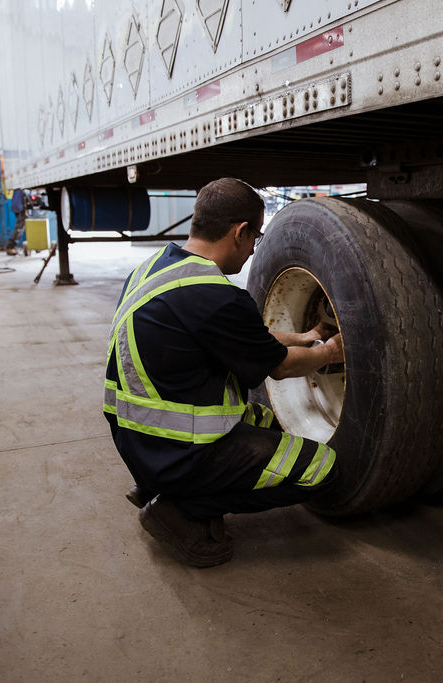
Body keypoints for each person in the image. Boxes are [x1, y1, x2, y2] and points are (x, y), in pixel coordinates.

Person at [103, 177, 343, 567]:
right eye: (255, 240)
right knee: (324, 469)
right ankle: (181, 506)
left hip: (138, 438)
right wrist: (330, 350)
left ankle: (154, 483)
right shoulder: (216, 295)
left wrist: (306, 336)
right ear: (240, 232)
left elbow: (247, 336)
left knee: (276, 425)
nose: (252, 252)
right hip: (179, 453)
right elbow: (279, 367)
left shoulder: (153, 271)